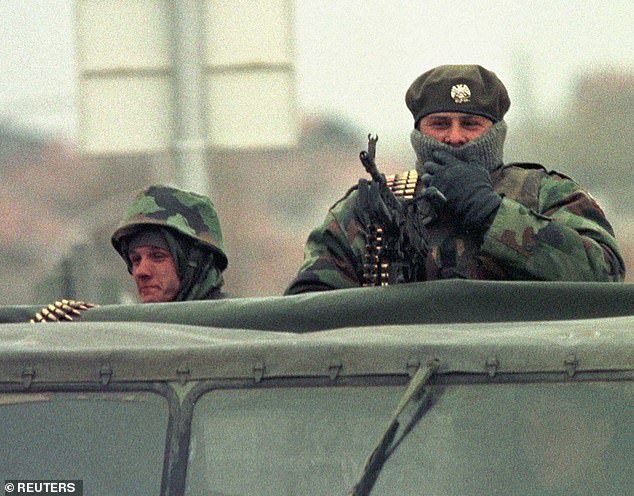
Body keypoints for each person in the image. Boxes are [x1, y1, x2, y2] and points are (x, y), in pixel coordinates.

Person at [285, 64, 625, 294]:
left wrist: (492, 214)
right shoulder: (369, 208)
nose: (455, 137)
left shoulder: (547, 196)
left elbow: (604, 275)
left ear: (495, 132)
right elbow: (311, 305)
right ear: (419, 132)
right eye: (440, 124)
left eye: (470, 124)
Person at [111, 184, 228, 302]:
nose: (141, 271)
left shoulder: (235, 318)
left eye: (157, 256)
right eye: (136, 259)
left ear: (194, 261)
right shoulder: (134, 320)